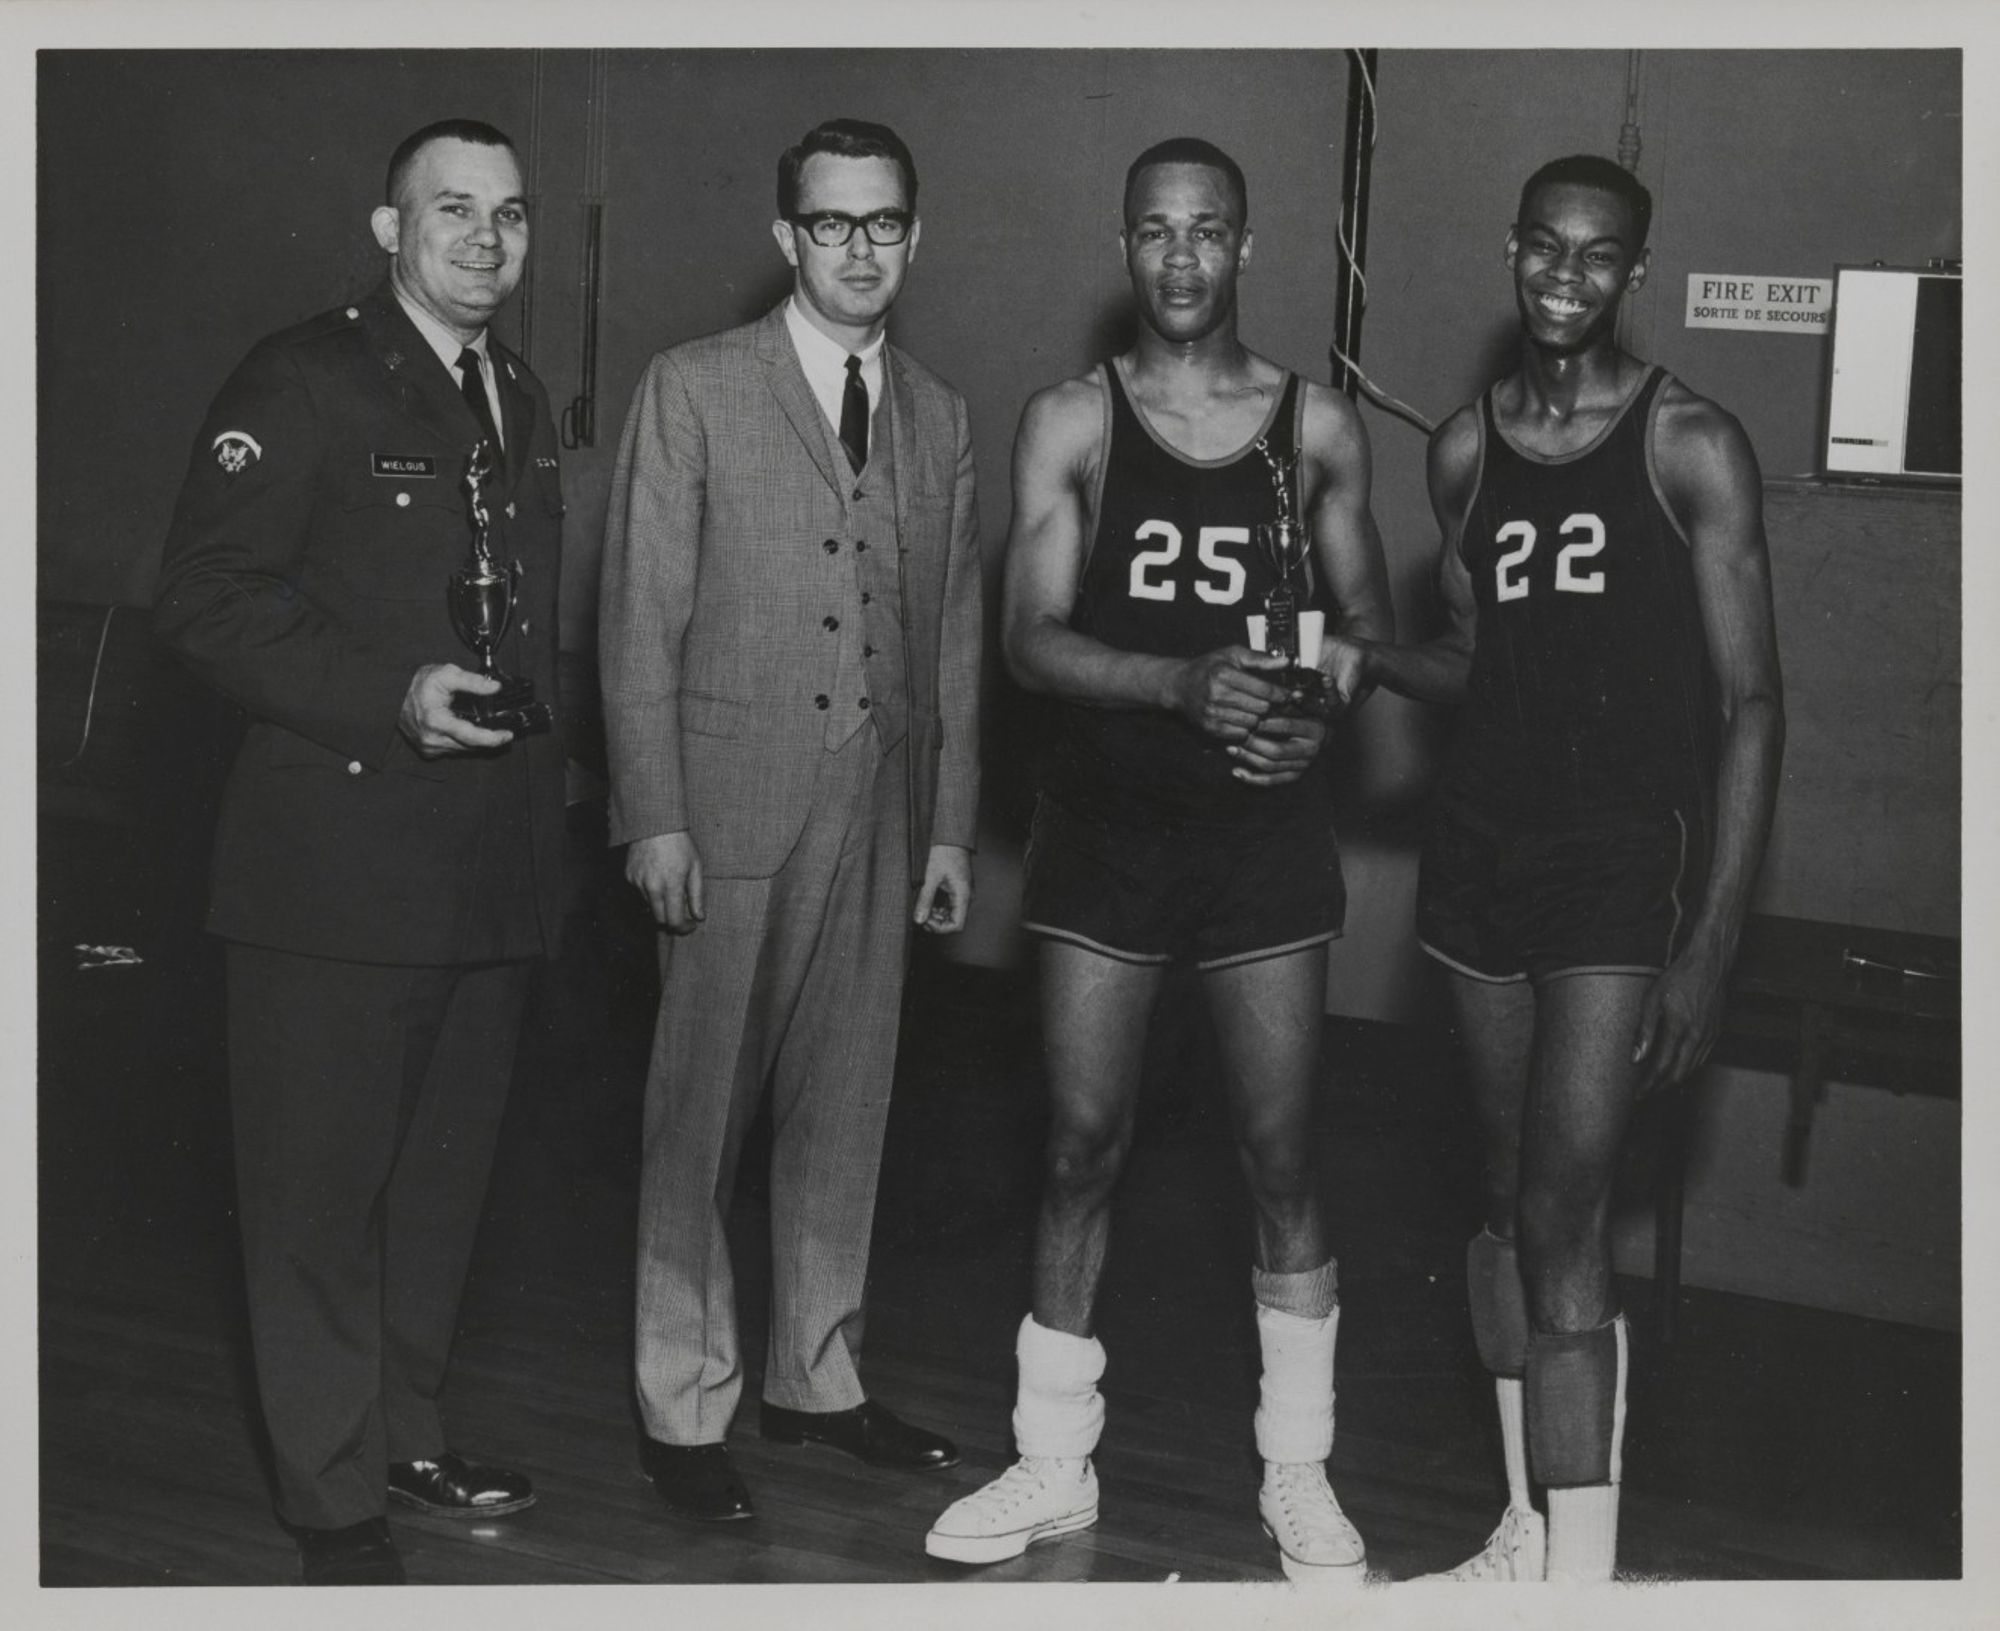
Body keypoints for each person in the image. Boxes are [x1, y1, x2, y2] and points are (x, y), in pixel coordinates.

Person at [923, 137, 1393, 1583]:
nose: (1182, 258)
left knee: (1281, 1152)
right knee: (1078, 1145)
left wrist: (1312, 711)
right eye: (1156, 233)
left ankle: (1296, 1471)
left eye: (1208, 233)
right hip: (1108, 832)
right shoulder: (1070, 419)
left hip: (1258, 836)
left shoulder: (1313, 426)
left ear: (1246, 249)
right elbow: (1031, 639)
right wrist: (1177, 687)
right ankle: (1053, 1460)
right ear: (1124, 249)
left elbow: (1364, 625)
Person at [1323, 154, 1785, 1582]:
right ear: (1512, 252)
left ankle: (1581, 1588)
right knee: (1502, 1198)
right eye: (1544, 250)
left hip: (1615, 869)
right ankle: (1524, 1536)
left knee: (1565, 1213)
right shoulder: (1463, 450)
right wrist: (1369, 659)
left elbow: (1755, 703)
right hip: (1480, 861)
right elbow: (1475, 662)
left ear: (1634, 273)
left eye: (1597, 258)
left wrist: (1711, 944)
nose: (1566, 279)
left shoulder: (1690, 443)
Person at [152, 119, 566, 1586]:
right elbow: (205, 600)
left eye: (510, 216)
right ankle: (333, 1505)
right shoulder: (304, 376)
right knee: (316, 1199)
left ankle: (406, 1436)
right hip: (330, 864)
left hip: (481, 865)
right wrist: (386, 698)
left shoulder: (514, 389)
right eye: (451, 210)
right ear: (387, 229)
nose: (485, 238)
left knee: (439, 1188)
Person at [598, 117, 981, 1526]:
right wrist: (654, 814)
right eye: (832, 225)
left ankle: (816, 1378)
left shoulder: (939, 413)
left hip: (880, 812)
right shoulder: (694, 389)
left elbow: (951, 638)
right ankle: (682, 1407)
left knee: (845, 1106)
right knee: (698, 1118)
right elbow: (638, 615)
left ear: (916, 237)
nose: (861, 250)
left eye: (885, 224)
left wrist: (949, 830)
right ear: (785, 238)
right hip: (727, 808)